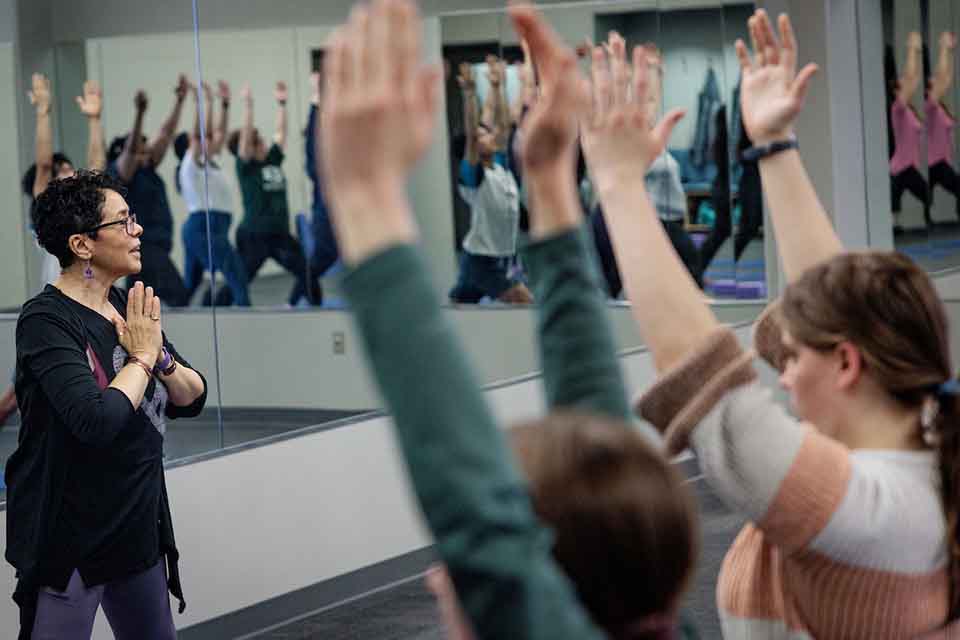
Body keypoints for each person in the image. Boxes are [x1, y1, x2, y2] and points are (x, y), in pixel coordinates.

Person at [320, 2, 698, 639]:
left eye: (457, 568)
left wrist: (363, 199)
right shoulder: (657, 622)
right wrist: (551, 176)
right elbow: (595, 445)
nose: (440, 577)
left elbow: (480, 521)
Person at [597, 9, 960, 636]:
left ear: (848, 365)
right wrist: (773, 145)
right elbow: (842, 305)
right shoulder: (917, 437)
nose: (782, 378)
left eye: (791, 360)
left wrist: (616, 183)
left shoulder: (879, 514)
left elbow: (711, 389)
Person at [5, 170, 207, 639]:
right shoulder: (45, 322)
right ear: (82, 245)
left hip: (136, 529)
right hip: (71, 541)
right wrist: (140, 355)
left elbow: (191, 396)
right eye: (123, 222)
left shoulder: (124, 305)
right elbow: (97, 421)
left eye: (133, 218)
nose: (137, 230)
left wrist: (159, 357)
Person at [7, 74, 107, 427]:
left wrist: (94, 121)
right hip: (56, 306)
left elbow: (96, 172)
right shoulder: (45, 214)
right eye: (60, 172)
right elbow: (45, 165)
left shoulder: (86, 215)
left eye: (70, 170)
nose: (66, 174)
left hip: (87, 303)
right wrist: (43, 112)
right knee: (17, 394)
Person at [224, 81, 322, 307]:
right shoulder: (246, 167)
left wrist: (282, 104)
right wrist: (248, 105)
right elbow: (246, 139)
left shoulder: (272, 160)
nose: (264, 144)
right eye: (257, 142)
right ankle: (218, 306)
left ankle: (305, 307)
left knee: (307, 271)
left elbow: (281, 133)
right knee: (240, 280)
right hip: (254, 236)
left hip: (279, 235)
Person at [450, 55, 533, 304]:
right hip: (483, 260)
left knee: (459, 308)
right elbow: (473, 134)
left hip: (503, 257)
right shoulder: (474, 176)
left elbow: (503, 125)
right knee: (524, 302)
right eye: (482, 135)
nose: (489, 135)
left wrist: (498, 88)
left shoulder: (499, 166)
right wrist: (468, 96)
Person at [108, 76, 190, 306]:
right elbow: (132, 150)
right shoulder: (122, 175)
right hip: (146, 248)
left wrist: (179, 101)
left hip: (155, 249)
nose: (147, 153)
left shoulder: (148, 169)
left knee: (139, 304)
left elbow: (165, 134)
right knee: (178, 296)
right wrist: (140, 113)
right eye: (141, 150)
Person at [175, 80, 250, 306]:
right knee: (237, 275)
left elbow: (219, 133)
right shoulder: (190, 164)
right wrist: (205, 102)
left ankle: (173, 321)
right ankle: (246, 316)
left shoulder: (210, 161)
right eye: (202, 140)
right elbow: (202, 134)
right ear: (191, 145)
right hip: (203, 226)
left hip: (211, 227)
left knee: (190, 285)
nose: (211, 140)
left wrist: (224, 104)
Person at [890, 31, 931, 231]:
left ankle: (925, 219)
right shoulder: (898, 108)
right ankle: (894, 225)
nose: (907, 87)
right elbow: (911, 78)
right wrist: (912, 50)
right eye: (902, 86)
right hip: (900, 167)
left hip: (909, 166)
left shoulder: (909, 112)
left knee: (925, 194)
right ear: (897, 91)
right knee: (895, 198)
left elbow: (911, 81)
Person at [304, 70, 341, 291]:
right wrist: (316, 97)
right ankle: (299, 297)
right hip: (326, 212)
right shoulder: (318, 165)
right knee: (321, 261)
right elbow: (312, 140)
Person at [928, 31, 959, 222]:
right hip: (934, 163)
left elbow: (946, 78)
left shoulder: (940, 107)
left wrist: (948, 52)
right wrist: (944, 48)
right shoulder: (930, 106)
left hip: (941, 163)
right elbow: (942, 76)